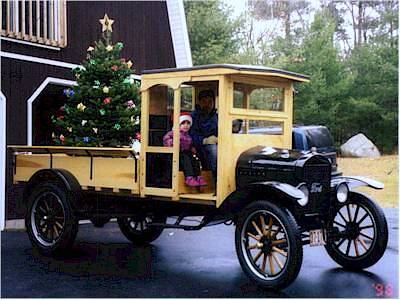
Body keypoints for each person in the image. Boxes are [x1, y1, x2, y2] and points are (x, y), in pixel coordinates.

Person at [163, 112, 207, 187]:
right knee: (186, 159)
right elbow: (166, 139)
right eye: (183, 123)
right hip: (176, 154)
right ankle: (189, 177)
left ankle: (198, 176)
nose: (186, 126)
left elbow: (190, 145)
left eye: (188, 123)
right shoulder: (173, 133)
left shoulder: (188, 136)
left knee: (194, 160)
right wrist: (172, 143)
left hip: (186, 153)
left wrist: (192, 148)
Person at [190, 90, 218, 183]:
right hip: (199, 147)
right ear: (199, 102)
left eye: (210, 102)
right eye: (204, 102)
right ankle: (216, 180)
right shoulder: (194, 116)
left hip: (216, 143)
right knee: (213, 149)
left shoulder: (216, 116)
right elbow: (190, 136)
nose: (207, 104)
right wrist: (205, 140)